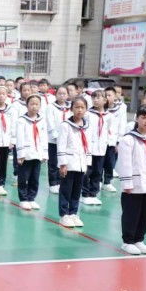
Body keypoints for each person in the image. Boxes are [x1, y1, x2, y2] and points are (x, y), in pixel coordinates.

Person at [117, 105, 146, 255]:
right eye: (143, 117)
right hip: (133, 184)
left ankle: (139, 239)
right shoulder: (128, 139)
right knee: (131, 213)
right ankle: (128, 241)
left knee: (145, 214)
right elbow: (124, 163)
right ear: (137, 118)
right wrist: (127, 183)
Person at [57, 96, 89, 227]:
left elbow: (88, 145)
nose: (79, 110)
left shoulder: (87, 126)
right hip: (69, 164)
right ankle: (64, 214)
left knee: (77, 191)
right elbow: (61, 145)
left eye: (82, 107)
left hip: (81, 164)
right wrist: (63, 164)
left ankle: (73, 213)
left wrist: (87, 163)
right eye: (77, 107)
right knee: (66, 190)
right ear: (71, 109)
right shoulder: (65, 125)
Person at [16, 94, 48, 210]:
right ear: (27, 105)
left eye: (37, 104)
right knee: (23, 177)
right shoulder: (21, 120)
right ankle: (23, 199)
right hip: (26, 154)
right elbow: (20, 138)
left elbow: (44, 137)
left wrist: (45, 153)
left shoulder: (42, 120)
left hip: (37, 153)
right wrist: (20, 154)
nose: (34, 106)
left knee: (35, 178)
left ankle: (31, 198)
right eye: (32, 104)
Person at [81, 90, 109, 206]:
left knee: (98, 172)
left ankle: (93, 194)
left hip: (101, 149)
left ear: (105, 100)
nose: (95, 100)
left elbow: (109, 131)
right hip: (89, 148)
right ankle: (85, 194)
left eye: (98, 98)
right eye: (93, 98)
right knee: (87, 172)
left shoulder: (109, 116)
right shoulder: (87, 114)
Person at [47, 86, 71, 194]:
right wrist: (55, 135)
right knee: (53, 161)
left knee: (63, 161)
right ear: (56, 95)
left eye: (64, 93)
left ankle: (61, 182)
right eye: (60, 93)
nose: (62, 96)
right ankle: (53, 183)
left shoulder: (70, 107)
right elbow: (50, 122)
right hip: (54, 139)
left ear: (68, 95)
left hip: (67, 139)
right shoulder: (51, 107)